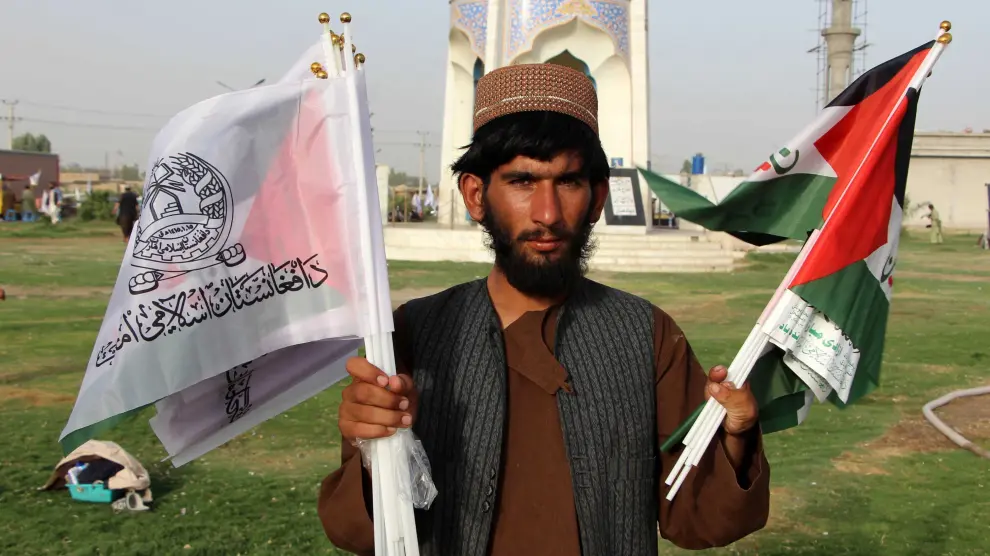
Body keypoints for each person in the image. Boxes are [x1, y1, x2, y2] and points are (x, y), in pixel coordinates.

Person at [317, 64, 770, 555]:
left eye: (569, 182)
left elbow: (696, 520)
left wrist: (735, 437)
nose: (548, 213)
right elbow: (358, 532)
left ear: (597, 196)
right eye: (523, 181)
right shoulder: (416, 333)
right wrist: (372, 450)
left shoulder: (645, 336)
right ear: (475, 195)